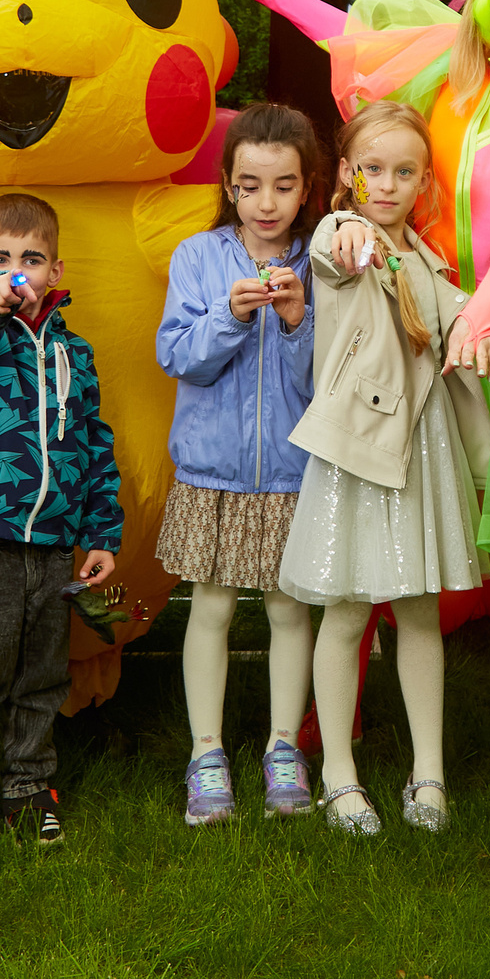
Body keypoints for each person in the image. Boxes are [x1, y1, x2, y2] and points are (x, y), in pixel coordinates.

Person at [206, 0, 490, 558]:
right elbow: (347, 35)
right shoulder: (455, 82)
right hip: (414, 317)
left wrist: (478, 319)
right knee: (399, 500)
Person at [280, 101, 490, 835]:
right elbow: (338, 253)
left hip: (422, 446)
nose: (388, 183)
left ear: (425, 180)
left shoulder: (430, 260)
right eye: (372, 168)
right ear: (346, 174)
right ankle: (339, 773)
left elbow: (461, 323)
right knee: (345, 609)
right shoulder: (342, 233)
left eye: (405, 171)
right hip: (361, 451)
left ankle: (427, 774)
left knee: (418, 610)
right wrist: (351, 242)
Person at [0, 194, 122, 853]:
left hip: (54, 549)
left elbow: (94, 443)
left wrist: (101, 532)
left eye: (31, 259)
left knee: (43, 674)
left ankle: (31, 785)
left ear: (56, 269)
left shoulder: (76, 353)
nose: (16, 271)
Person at [154, 103, 324, 826]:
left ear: (307, 186)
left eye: (283, 186)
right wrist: (229, 315)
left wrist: (294, 321)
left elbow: (323, 384)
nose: (266, 202)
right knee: (213, 605)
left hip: (291, 472)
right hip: (212, 471)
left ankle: (284, 746)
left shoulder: (321, 263)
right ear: (228, 183)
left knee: (289, 607)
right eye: (250, 184)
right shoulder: (197, 256)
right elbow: (177, 356)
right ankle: (207, 753)